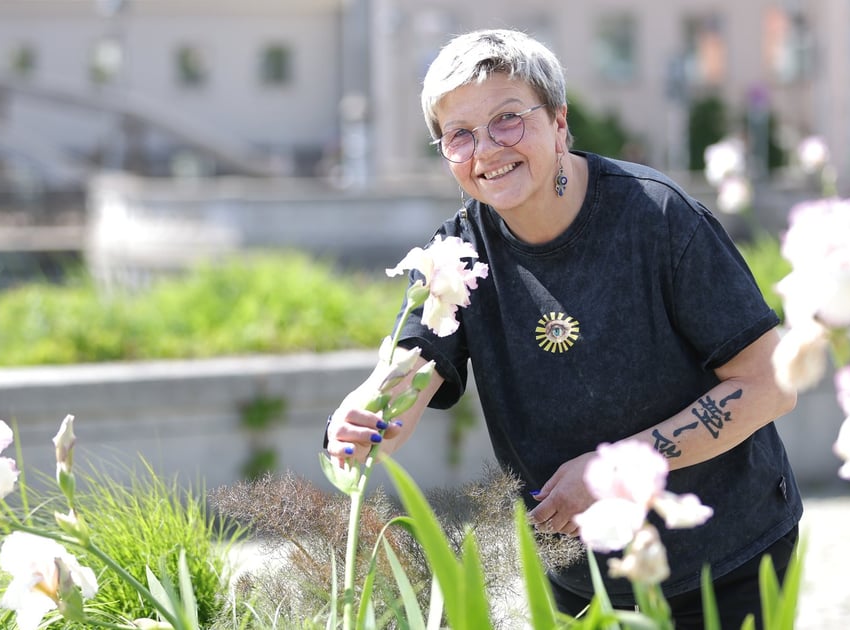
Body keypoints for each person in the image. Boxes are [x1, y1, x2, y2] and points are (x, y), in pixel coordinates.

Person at [324, 28, 802, 629]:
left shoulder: (659, 218)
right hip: (582, 578)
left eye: (507, 119)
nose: (486, 150)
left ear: (558, 122)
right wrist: (363, 416)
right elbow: (412, 364)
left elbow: (771, 383)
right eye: (459, 135)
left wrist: (613, 469)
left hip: (724, 558)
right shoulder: (457, 253)